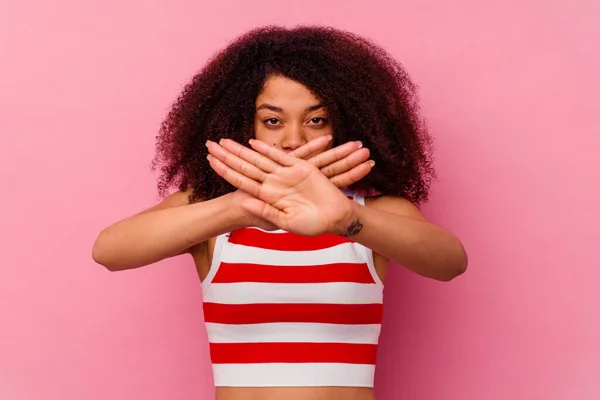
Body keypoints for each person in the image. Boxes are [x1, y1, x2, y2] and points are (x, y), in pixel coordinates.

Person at [92, 25, 468, 400]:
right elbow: (109, 251)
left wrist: (346, 219)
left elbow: (450, 262)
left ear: (345, 123)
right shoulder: (214, 214)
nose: (293, 140)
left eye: (315, 120)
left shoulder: (369, 214)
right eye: (273, 120)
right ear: (242, 124)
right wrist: (237, 207)